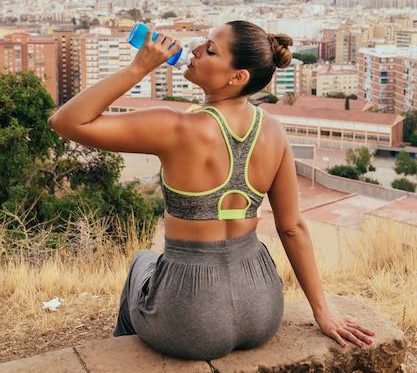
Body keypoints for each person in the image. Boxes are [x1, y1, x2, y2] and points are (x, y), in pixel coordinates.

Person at [48, 20, 375, 360]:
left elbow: (65, 122)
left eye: (211, 50)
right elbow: (292, 228)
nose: (195, 50)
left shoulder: (176, 127)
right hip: (262, 309)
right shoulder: (274, 131)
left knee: (142, 262)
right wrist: (322, 311)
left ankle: (118, 358)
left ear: (238, 77)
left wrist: (139, 67)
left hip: (190, 320)